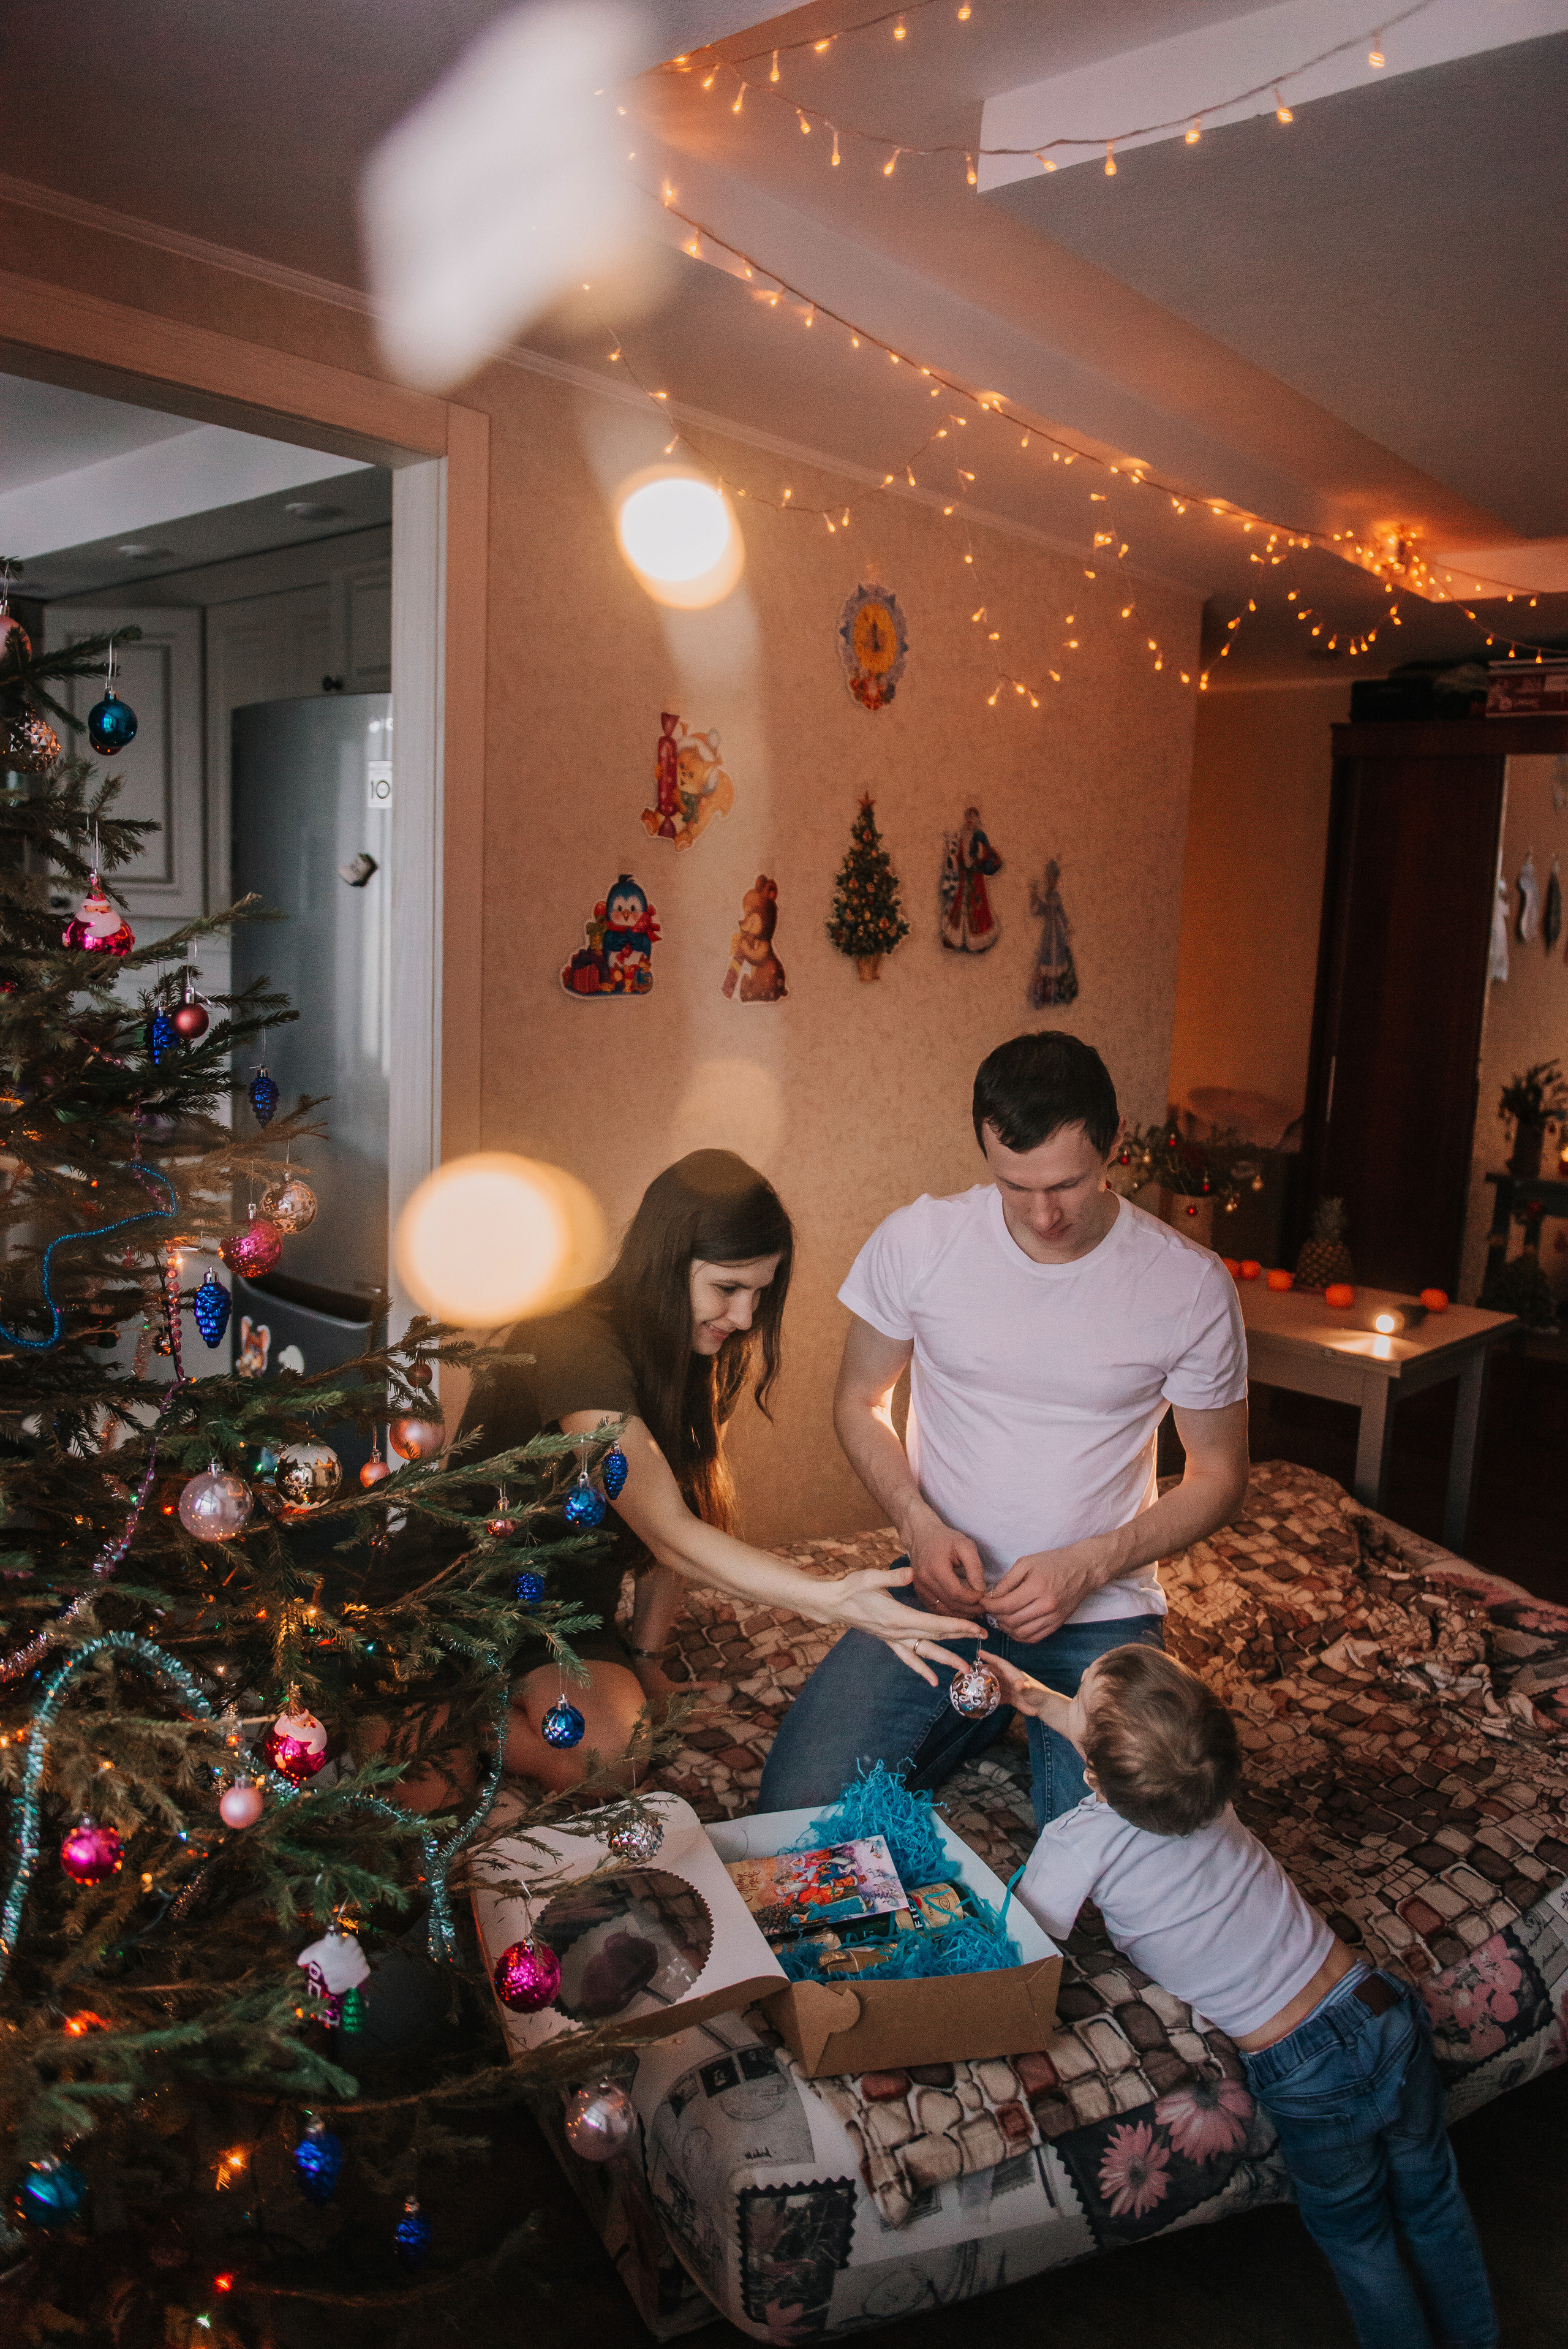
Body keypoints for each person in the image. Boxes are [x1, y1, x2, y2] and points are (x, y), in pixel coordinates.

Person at [758, 1030, 1250, 1826]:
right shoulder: (919, 1241)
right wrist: (917, 1525)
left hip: (1100, 1609)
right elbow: (858, 1402)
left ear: (1115, 1142)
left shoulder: (1188, 1285)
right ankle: (984, 1705)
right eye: (1014, 1185)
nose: (1043, 1213)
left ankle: (997, 1709)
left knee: (1123, 1869)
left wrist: (1091, 1565)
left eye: (1068, 1182)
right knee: (794, 1816)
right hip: (942, 1590)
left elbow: (1221, 1473)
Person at [992, 1644, 1497, 2349]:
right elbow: (1138, 1750)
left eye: (1079, 1695)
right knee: (1433, 2197)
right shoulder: (1204, 1789)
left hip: (1305, 2068)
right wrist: (1042, 1701)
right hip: (1380, 2008)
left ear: (1093, 1776)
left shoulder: (1076, 1842)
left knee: (1358, 2235)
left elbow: (1018, 1945)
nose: (1069, 1702)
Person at [459, 1150, 973, 1792]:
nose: (745, 1317)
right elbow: (668, 1529)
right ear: (664, 1263)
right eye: (728, 1288)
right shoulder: (571, 1345)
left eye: (760, 1293)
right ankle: (450, 1724)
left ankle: (475, 1724)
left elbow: (684, 1507)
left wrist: (646, 1660)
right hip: (466, 1600)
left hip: (568, 1614)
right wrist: (831, 1598)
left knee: (619, 1757)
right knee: (532, 1765)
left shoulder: (709, 1351)